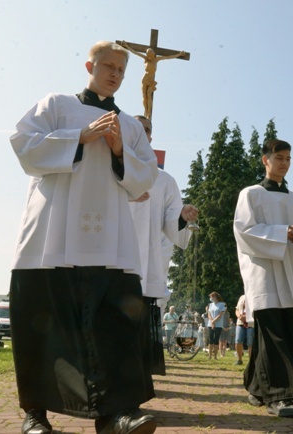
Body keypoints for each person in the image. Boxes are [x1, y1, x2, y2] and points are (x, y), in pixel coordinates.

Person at [9, 40, 158, 434]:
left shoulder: (128, 125)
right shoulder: (57, 105)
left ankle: (116, 415)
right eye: (108, 66)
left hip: (111, 240)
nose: (114, 74)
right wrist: (80, 135)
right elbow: (23, 145)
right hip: (52, 236)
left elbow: (146, 178)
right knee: (44, 323)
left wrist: (120, 150)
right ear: (89, 65)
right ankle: (35, 415)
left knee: (112, 326)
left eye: (121, 70)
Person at [234, 139, 293, 418]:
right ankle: (281, 397)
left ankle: (257, 386)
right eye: (279, 157)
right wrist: (280, 233)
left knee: (285, 331)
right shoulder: (251, 194)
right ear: (265, 160)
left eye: (288, 159)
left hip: (292, 273)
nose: (284, 163)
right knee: (272, 332)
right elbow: (245, 231)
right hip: (265, 273)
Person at [129, 114, 196, 375]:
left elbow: (172, 218)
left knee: (141, 320)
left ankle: (139, 378)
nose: (141, 133)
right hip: (109, 255)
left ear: (150, 138)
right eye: (134, 128)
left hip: (146, 261)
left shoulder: (165, 180)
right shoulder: (106, 167)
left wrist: (182, 215)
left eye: (145, 130)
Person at [119, 45, 187, 120]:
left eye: (151, 54)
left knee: (149, 95)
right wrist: (126, 46)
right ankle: (146, 112)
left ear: (153, 54)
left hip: (151, 80)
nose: (149, 56)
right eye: (148, 54)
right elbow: (135, 52)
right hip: (144, 79)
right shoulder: (146, 59)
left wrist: (179, 54)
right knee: (144, 96)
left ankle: (148, 114)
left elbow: (168, 57)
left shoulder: (156, 59)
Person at [234, 294, 254, 365]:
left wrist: (247, 317)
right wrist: (239, 316)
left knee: (250, 343)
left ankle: (251, 362)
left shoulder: (254, 296)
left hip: (251, 323)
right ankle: (239, 360)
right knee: (238, 341)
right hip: (240, 323)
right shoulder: (242, 297)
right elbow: (237, 310)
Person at [207, 292, 226, 360]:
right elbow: (209, 314)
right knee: (210, 339)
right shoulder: (211, 305)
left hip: (218, 325)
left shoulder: (221, 304)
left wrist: (214, 321)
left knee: (216, 340)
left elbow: (220, 314)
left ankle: (215, 356)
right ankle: (209, 355)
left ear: (215, 297)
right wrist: (212, 321)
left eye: (212, 297)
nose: (211, 298)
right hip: (210, 324)